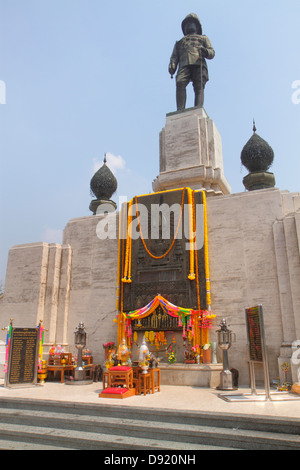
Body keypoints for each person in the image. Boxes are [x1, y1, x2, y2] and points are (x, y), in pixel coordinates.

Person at [169, 13, 215, 111]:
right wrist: (172, 64)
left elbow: (212, 52)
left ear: (197, 26)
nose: (188, 25)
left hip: (198, 63)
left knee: (198, 86)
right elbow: (174, 57)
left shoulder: (203, 39)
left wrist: (205, 51)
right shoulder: (179, 42)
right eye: (186, 24)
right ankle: (180, 109)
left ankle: (198, 108)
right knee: (180, 82)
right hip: (184, 64)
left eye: (191, 23)